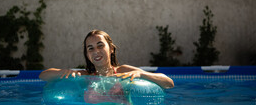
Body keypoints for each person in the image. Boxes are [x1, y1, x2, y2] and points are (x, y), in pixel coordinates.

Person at [39, 30, 174, 103]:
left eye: (100, 45)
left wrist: (141, 74)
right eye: (90, 48)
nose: (96, 51)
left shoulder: (123, 71)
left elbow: (169, 83)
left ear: (111, 49)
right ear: (87, 54)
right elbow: (43, 75)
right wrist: (64, 71)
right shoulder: (85, 76)